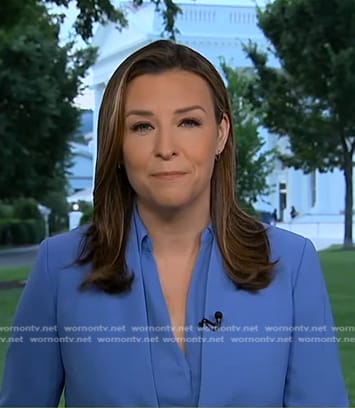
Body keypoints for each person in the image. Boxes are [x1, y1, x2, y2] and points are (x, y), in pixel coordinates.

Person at [0, 40, 349, 407]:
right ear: (117, 144)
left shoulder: (292, 265)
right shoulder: (60, 267)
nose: (166, 147)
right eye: (142, 126)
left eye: (188, 122)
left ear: (220, 133)